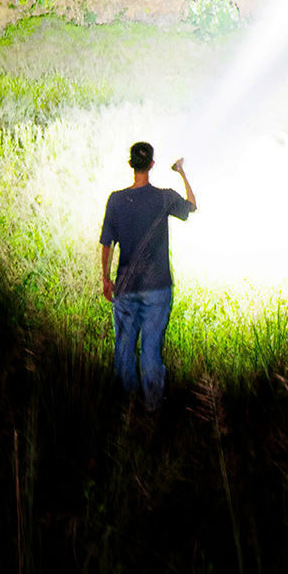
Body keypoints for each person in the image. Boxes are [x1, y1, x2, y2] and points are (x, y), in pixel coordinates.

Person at [100, 141, 197, 410]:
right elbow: (191, 205)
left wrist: (106, 279)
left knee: (124, 348)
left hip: (127, 288)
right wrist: (181, 172)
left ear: (130, 164)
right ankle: (153, 408)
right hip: (157, 287)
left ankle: (128, 409)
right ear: (152, 165)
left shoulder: (116, 200)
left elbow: (107, 243)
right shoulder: (164, 197)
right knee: (151, 350)